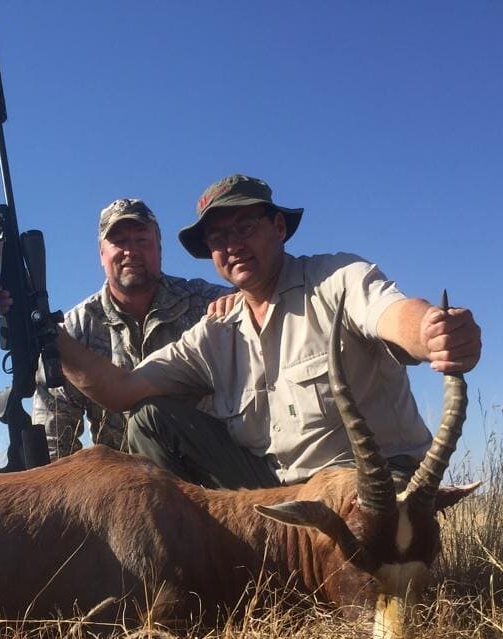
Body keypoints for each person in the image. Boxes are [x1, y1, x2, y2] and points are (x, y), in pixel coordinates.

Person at [56, 174, 482, 489]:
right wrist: (45, 334)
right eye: (219, 237)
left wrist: (432, 331)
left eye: (245, 228)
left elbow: (393, 313)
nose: (233, 244)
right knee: (151, 420)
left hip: (370, 487)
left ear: (278, 227)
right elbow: (121, 389)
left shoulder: (337, 278)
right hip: (281, 495)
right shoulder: (215, 330)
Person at [32, 198, 233, 458]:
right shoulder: (71, 332)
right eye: (119, 242)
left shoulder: (208, 304)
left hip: (206, 475)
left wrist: (241, 300)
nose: (131, 251)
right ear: (101, 253)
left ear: (159, 248)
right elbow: (53, 434)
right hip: (120, 486)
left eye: (142, 240)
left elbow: (255, 301)